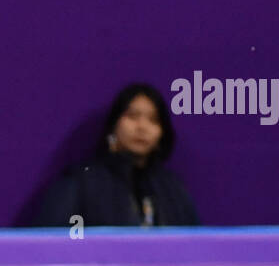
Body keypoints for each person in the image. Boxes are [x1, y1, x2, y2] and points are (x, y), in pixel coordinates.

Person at [31, 83, 200, 228]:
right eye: (132, 116)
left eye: (153, 119)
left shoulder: (173, 190)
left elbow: (194, 249)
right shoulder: (81, 182)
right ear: (113, 126)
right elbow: (51, 244)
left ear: (162, 134)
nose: (142, 127)